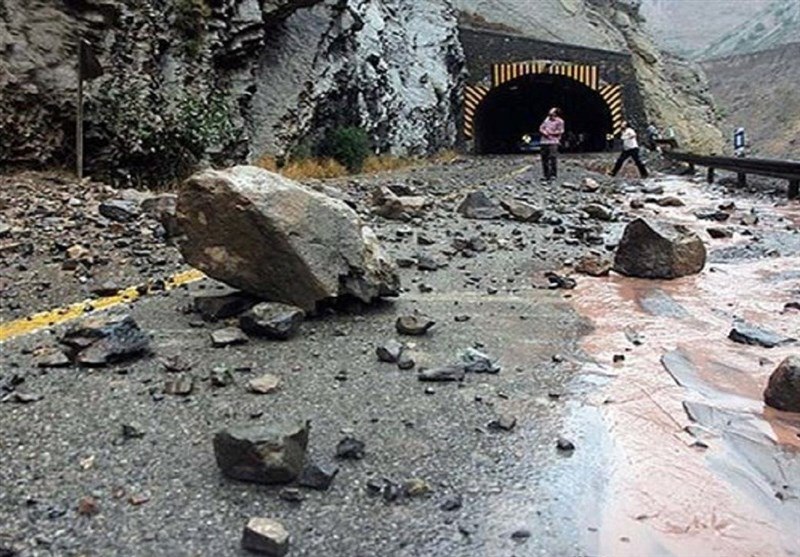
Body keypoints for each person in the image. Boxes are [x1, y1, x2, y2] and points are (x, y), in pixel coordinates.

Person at [538, 107, 564, 182]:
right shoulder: (546, 120)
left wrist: (551, 133)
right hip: (544, 141)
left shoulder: (560, 121)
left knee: (552, 157)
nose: (550, 112)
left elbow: (561, 131)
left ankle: (553, 175)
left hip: (553, 141)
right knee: (544, 158)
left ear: (555, 113)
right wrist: (544, 132)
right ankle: (546, 175)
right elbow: (541, 127)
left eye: (552, 111)